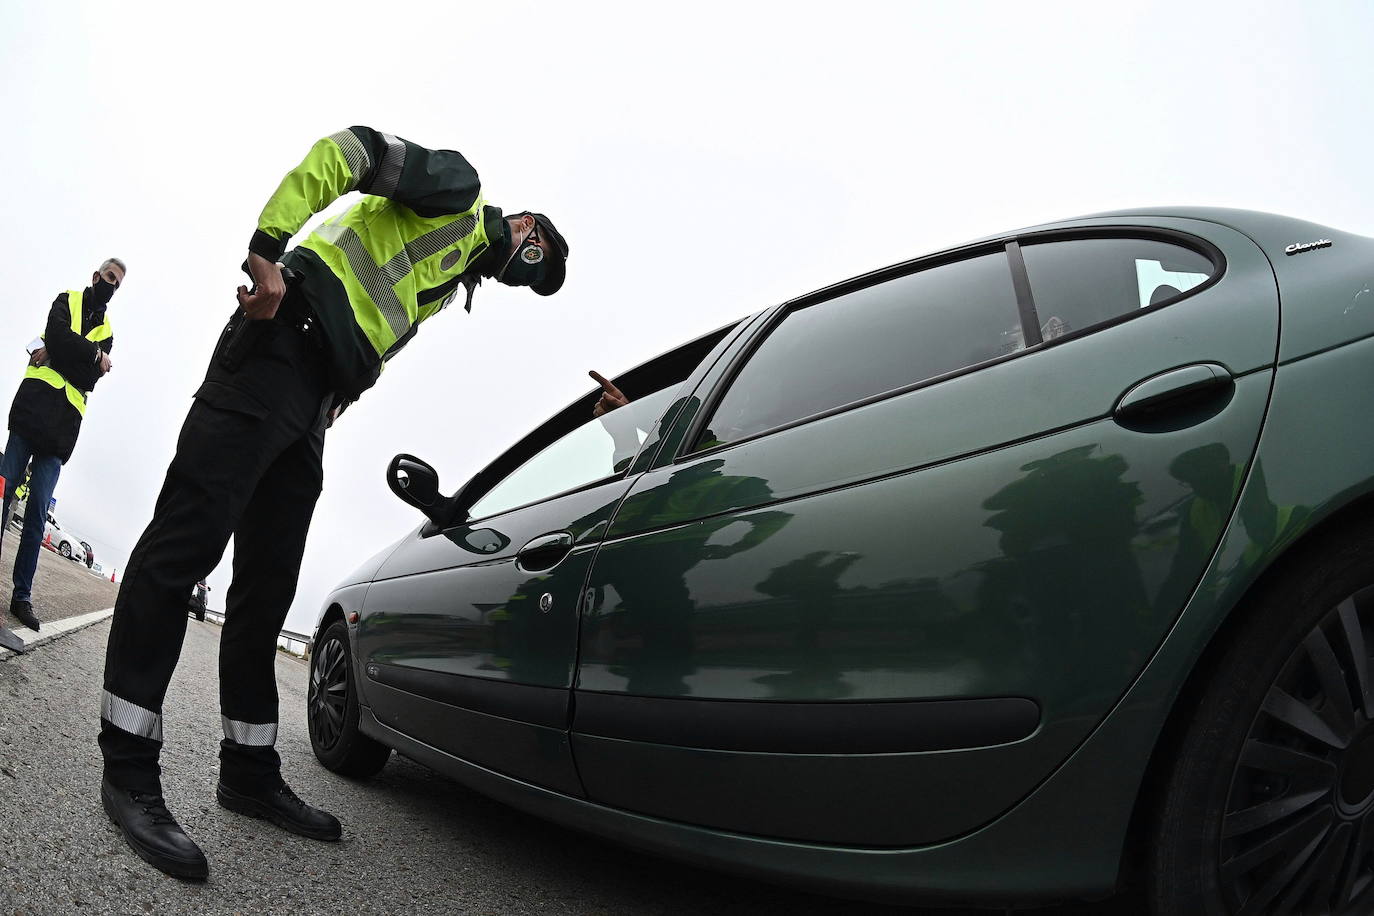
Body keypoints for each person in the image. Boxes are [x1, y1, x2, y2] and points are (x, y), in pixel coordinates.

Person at [98, 126, 569, 880]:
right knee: (185, 546)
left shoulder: (452, 284)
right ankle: (127, 768)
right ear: (523, 227)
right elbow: (350, 152)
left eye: (526, 278)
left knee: (267, 589)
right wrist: (267, 246)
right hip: (279, 340)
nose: (517, 268)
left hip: (313, 401)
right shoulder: (459, 187)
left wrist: (337, 400)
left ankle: (247, 771)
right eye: (530, 258)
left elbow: (377, 327)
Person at [0, 259, 123, 633]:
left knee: (37, 515)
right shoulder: (65, 300)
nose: (110, 284)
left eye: (116, 283)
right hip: (32, 410)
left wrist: (62, 351)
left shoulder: (109, 332)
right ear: (95, 277)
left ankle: (21, 596)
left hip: (61, 431)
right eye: (108, 277)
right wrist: (88, 355)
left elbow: (88, 378)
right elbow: (56, 336)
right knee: (3, 497)